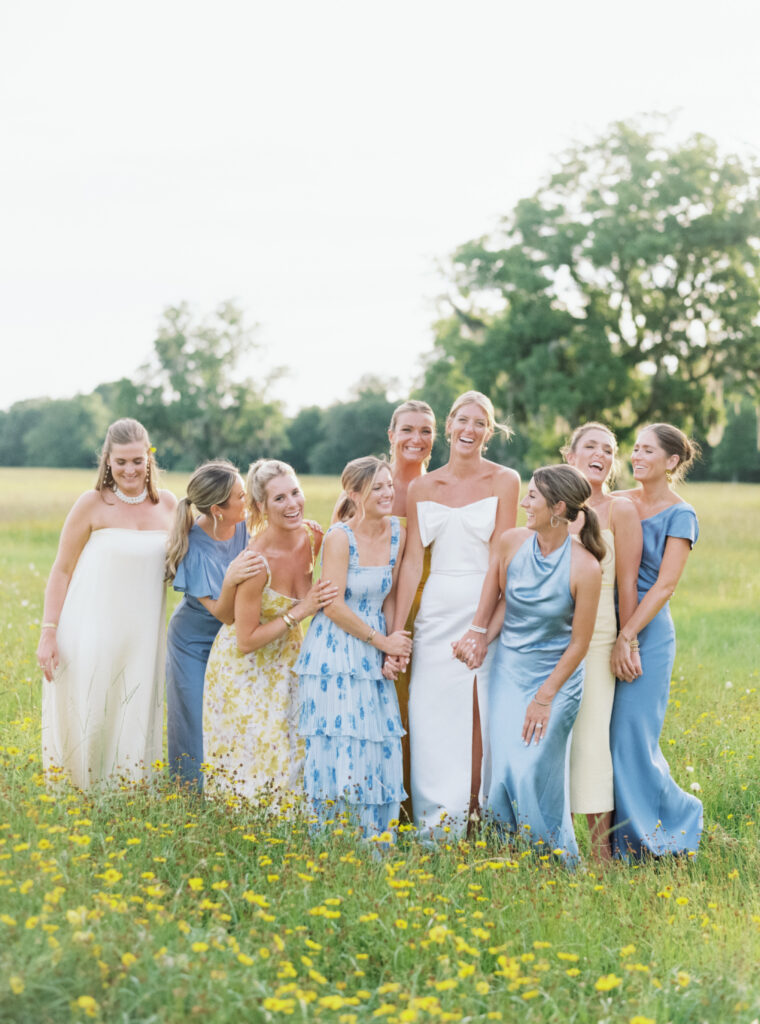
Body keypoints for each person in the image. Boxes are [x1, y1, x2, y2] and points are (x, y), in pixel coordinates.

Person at [389, 391, 520, 839]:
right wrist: (395, 632)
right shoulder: (421, 488)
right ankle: (435, 824)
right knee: (429, 713)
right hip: (435, 611)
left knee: (480, 712)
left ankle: (477, 816)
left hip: (482, 608)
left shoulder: (505, 481)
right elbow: (409, 562)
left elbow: (502, 558)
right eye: (462, 420)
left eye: (479, 423)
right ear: (448, 426)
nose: (469, 430)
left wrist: (482, 626)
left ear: (489, 431)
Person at [458, 465, 603, 865]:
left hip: (557, 677)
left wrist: (544, 696)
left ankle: (553, 858)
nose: (524, 503)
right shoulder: (511, 543)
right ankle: (507, 852)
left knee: (533, 767)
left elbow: (580, 644)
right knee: (505, 766)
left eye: (533, 497)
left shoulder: (585, 567)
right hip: (509, 670)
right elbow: (496, 596)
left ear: (558, 507)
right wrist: (478, 637)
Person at [38, 418, 177, 789]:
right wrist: (48, 632)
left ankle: (128, 789)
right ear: (107, 460)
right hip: (91, 626)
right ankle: (81, 790)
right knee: (93, 706)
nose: (129, 470)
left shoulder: (168, 505)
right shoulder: (92, 503)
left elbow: (191, 563)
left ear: (149, 458)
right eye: (121, 462)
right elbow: (62, 570)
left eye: (137, 460)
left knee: (133, 706)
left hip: (144, 633)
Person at [202, 460, 335, 802]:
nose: (292, 504)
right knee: (256, 764)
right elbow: (245, 640)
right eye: (279, 499)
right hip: (244, 669)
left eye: (295, 492)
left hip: (287, 661)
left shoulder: (311, 536)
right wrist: (301, 611)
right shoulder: (254, 563)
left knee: (293, 753)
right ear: (260, 505)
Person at [297, 457, 412, 839]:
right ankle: (334, 839)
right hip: (337, 650)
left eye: (389, 485)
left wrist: (393, 645)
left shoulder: (397, 531)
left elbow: (391, 594)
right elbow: (333, 605)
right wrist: (381, 641)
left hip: (375, 641)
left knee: (377, 740)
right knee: (343, 738)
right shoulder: (339, 538)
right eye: (377, 487)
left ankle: (376, 841)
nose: (387, 493)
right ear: (354, 493)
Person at [609, 423, 702, 859]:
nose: (637, 456)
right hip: (605, 629)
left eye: (648, 450)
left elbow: (665, 586)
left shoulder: (681, 514)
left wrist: (629, 636)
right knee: (605, 735)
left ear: (672, 461)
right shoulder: (617, 502)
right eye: (635, 448)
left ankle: (667, 828)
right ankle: (615, 836)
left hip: (647, 633)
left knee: (632, 735)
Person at [562, 423, 642, 862]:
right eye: (590, 446)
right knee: (551, 743)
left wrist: (624, 641)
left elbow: (627, 583)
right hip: (547, 638)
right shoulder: (552, 502)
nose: (600, 454)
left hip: (597, 639)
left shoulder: (620, 510)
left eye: (608, 449)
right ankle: (555, 844)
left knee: (592, 741)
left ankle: (599, 856)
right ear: (570, 454)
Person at [164, 461, 264, 791]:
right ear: (219, 509)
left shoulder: (246, 528)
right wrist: (233, 577)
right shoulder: (194, 548)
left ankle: (231, 786)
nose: (248, 499)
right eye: (240, 496)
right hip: (192, 643)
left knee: (232, 713)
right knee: (194, 717)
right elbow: (224, 614)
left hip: (232, 640)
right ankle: (191, 794)